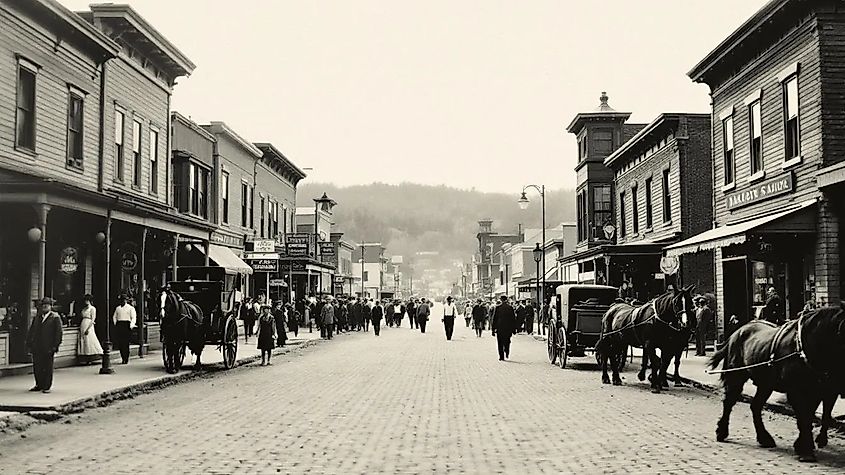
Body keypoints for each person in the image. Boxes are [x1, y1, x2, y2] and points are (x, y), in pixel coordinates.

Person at [26, 297, 63, 393]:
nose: (45, 307)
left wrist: (55, 346)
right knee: (37, 366)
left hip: (48, 346)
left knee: (47, 367)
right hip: (37, 346)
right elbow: (32, 331)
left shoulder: (55, 318)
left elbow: (58, 333)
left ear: (50, 306)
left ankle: (46, 386)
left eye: (47, 305)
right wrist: (29, 342)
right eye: (43, 305)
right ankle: (39, 384)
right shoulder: (38, 317)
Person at [77, 294, 103, 365]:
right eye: (85, 300)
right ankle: (85, 356)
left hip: (89, 324)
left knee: (90, 340)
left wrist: (88, 328)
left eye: (88, 300)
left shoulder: (92, 309)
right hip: (83, 323)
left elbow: (93, 319)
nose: (86, 302)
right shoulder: (84, 309)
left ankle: (92, 356)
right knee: (83, 340)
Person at [112, 294, 137, 364]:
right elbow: (114, 316)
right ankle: (122, 357)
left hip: (126, 325)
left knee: (126, 343)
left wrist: (131, 325)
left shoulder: (130, 308)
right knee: (120, 342)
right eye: (121, 300)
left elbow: (133, 317)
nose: (122, 301)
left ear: (126, 300)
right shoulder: (118, 308)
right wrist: (116, 323)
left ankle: (126, 358)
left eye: (124, 300)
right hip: (120, 324)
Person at [492, 295, 516, 361]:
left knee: (500, 342)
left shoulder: (498, 308)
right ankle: (507, 351)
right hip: (508, 328)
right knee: (507, 341)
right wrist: (514, 329)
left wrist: (493, 329)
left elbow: (494, 319)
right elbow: (513, 319)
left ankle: (501, 356)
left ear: (501, 300)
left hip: (500, 327)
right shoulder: (510, 308)